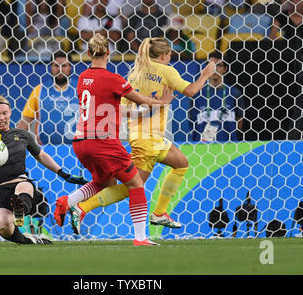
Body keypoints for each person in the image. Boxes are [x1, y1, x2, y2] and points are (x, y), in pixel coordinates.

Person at [55, 36, 216, 236]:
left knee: (181, 163)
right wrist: (205, 75)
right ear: (166, 55)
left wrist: (145, 110)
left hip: (144, 137)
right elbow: (191, 91)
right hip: (147, 140)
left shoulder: (135, 74)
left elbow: (123, 111)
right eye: (169, 54)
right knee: (132, 185)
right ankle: (82, 208)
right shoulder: (167, 71)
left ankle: (159, 212)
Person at [0, 95, 88, 244]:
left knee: (24, 186)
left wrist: (63, 173)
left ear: (10, 112)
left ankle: (19, 210)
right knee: (3, 226)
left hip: (19, 182)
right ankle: (30, 241)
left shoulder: (22, 135)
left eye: (4, 113)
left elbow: (41, 156)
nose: (1, 118)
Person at [17, 51, 78, 145]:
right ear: (50, 67)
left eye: (64, 66)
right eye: (56, 66)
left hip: (77, 149)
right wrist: (15, 142)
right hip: (45, 149)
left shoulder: (80, 89)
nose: (60, 69)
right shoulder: (39, 90)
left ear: (70, 67)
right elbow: (25, 121)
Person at [190, 51, 244, 142]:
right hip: (202, 148)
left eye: (218, 65)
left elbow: (239, 122)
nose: (215, 69)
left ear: (225, 68)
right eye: (211, 66)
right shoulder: (196, 94)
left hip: (229, 147)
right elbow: (192, 122)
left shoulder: (235, 93)